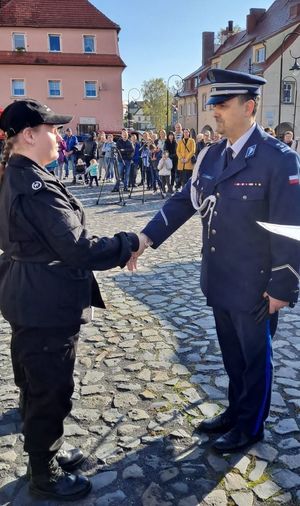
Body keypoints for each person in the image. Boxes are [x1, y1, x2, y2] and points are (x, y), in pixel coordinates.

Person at [129, 69, 300, 453]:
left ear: (249, 106)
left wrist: (283, 286)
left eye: (223, 105)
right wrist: (145, 237)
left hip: (256, 285)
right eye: (214, 105)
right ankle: (236, 411)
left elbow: (291, 228)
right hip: (219, 279)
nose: (215, 112)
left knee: (256, 359)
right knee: (232, 355)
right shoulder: (211, 155)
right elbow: (182, 204)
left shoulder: (279, 159)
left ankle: (250, 426)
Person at [0, 99, 140, 501]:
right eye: (53, 129)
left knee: (33, 379)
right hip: (45, 301)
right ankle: (43, 474)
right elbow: (78, 248)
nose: (60, 137)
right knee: (49, 387)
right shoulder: (34, 185)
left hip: (28, 292)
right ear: (29, 134)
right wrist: (127, 242)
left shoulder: (19, 173)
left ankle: (44, 454)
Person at [112, 128, 134, 193]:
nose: (124, 135)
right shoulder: (119, 142)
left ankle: (126, 187)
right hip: (121, 160)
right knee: (119, 174)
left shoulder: (130, 142)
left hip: (128, 160)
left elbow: (132, 150)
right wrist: (126, 151)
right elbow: (118, 150)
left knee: (127, 174)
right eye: (123, 134)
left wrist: (124, 150)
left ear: (127, 134)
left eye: (125, 133)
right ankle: (117, 187)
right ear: (121, 135)